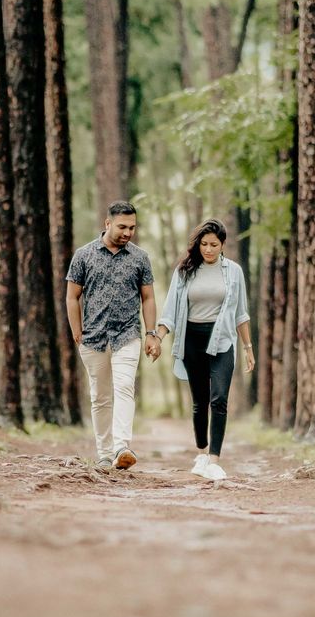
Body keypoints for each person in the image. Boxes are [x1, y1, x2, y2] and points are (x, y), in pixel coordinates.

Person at [155, 218, 253, 481]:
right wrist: (158, 337)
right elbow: (170, 312)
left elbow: (241, 313)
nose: (208, 249)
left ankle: (214, 460)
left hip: (222, 341)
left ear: (223, 245)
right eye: (204, 244)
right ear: (197, 244)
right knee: (200, 402)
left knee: (219, 398)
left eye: (214, 245)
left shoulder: (234, 272)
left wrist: (248, 347)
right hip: (192, 341)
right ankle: (201, 453)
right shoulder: (185, 271)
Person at [66, 202, 161, 471]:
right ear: (107, 223)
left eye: (132, 227)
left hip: (127, 335)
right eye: (122, 227)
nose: (128, 232)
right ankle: (104, 453)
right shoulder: (83, 255)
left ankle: (122, 446)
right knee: (100, 396)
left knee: (124, 387)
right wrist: (76, 328)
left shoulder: (140, 258)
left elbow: (149, 297)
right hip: (93, 337)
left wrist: (152, 333)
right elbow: (72, 296)